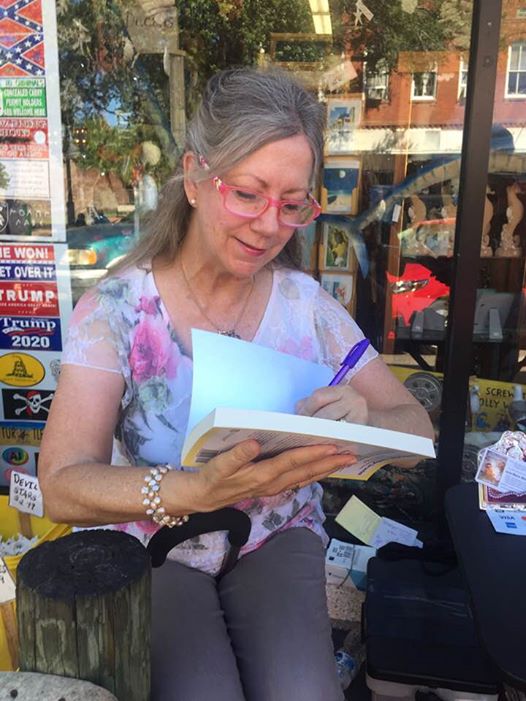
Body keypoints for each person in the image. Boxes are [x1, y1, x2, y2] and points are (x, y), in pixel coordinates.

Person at [39, 67, 433, 701]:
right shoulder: (116, 310)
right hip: (152, 542)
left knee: (301, 691)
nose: (268, 225)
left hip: (276, 536)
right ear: (196, 178)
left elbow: (416, 426)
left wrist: (362, 418)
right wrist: (193, 487)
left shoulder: (307, 306)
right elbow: (60, 484)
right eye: (247, 194)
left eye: (292, 203)